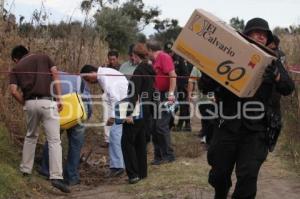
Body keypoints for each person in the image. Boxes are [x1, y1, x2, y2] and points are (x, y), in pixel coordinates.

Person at [202, 18, 295, 199]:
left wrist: (276, 77)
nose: (260, 36)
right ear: (246, 35)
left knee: (248, 174)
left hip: (257, 129)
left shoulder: (273, 61)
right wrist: (209, 71)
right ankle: (220, 193)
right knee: (218, 173)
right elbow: (205, 86)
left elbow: (288, 87)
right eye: (255, 32)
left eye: (264, 34)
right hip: (227, 124)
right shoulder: (229, 54)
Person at [9, 45, 70, 193]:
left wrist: (25, 103)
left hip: (30, 103)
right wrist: (60, 98)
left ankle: (25, 170)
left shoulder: (16, 69)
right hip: (48, 102)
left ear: (16, 58)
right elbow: (55, 74)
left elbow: (13, 91)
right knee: (54, 140)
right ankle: (56, 177)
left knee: (30, 136)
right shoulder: (44, 57)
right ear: (27, 52)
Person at [39, 72, 93, 186]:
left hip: (59, 113)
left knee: (52, 140)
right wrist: (88, 115)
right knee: (75, 146)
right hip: (77, 114)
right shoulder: (78, 79)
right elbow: (87, 100)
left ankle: (46, 170)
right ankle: (71, 176)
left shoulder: (49, 78)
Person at [80, 64, 128, 177]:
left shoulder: (105, 77)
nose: (89, 82)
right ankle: (121, 163)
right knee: (119, 135)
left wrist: (112, 116)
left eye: (87, 79)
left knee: (114, 136)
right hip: (124, 102)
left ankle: (117, 167)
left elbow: (114, 97)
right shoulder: (104, 74)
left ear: (92, 72)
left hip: (122, 104)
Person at [121, 43, 156, 184]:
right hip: (147, 109)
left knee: (126, 141)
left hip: (137, 110)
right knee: (140, 141)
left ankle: (133, 174)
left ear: (135, 55)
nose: (132, 59)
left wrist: (128, 114)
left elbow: (134, 94)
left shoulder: (139, 71)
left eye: (133, 56)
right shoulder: (150, 69)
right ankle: (142, 172)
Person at [146, 40, 177, 165]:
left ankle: (169, 155)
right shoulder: (154, 61)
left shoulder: (164, 57)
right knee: (153, 126)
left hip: (166, 95)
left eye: (146, 51)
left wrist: (170, 94)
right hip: (157, 95)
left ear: (150, 50)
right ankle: (158, 156)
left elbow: (173, 75)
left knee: (161, 125)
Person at [164, 41, 191, 132]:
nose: (169, 54)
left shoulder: (180, 59)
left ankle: (181, 125)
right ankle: (170, 123)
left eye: (170, 52)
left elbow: (185, 74)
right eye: (167, 52)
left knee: (183, 106)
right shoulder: (164, 59)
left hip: (180, 86)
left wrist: (181, 87)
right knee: (171, 106)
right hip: (169, 87)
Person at [187, 66, 215, 145]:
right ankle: (206, 137)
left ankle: (208, 137)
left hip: (215, 98)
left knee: (211, 120)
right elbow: (191, 80)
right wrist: (189, 94)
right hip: (203, 98)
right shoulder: (197, 66)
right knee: (207, 118)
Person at [102, 50, 121, 147]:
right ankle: (107, 140)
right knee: (106, 116)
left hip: (117, 95)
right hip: (107, 94)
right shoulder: (105, 68)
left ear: (117, 58)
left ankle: (116, 139)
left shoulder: (121, 68)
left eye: (114, 59)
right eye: (110, 59)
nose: (112, 61)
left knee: (117, 116)